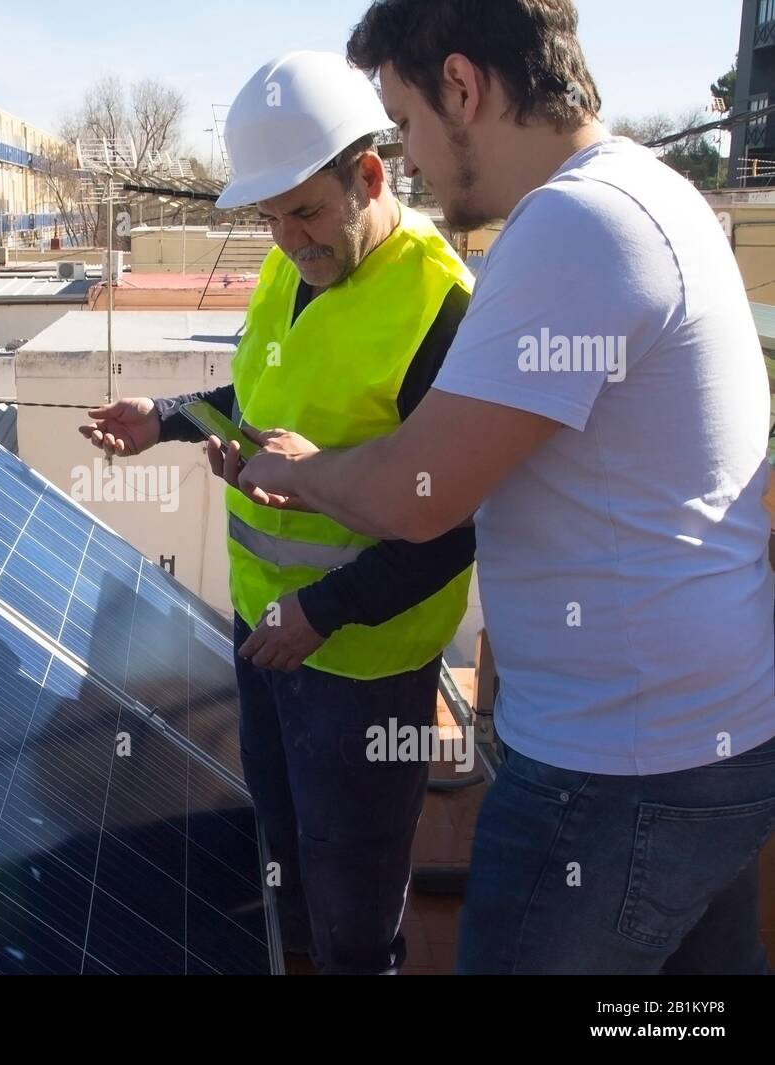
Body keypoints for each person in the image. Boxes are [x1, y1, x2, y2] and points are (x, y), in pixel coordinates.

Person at [236, 0, 775, 974]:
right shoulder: (652, 196)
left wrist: (297, 473)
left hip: (614, 775)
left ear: (462, 86)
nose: (408, 157)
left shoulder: (575, 226)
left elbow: (422, 492)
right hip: (700, 746)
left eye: (403, 122)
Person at [79, 51, 476, 974]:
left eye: (304, 211)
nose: (289, 237)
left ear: (368, 175)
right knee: (285, 855)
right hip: (266, 640)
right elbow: (262, 388)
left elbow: (456, 525)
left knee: (354, 894)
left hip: (362, 670)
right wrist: (169, 420)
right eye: (270, 219)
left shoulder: (439, 310)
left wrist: (321, 614)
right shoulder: (292, 268)